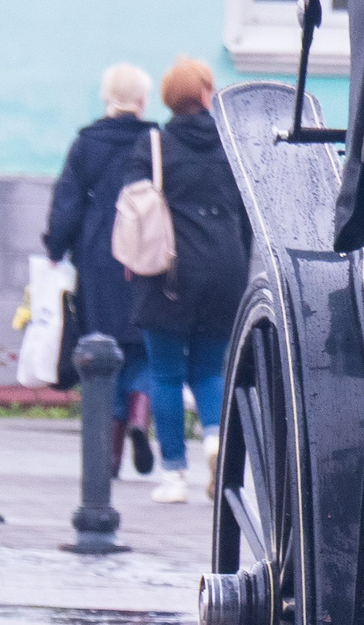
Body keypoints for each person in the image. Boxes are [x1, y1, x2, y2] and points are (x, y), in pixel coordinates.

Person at [131, 58, 252, 505]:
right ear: (205, 95)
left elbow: (132, 210)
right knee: (208, 369)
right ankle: (216, 440)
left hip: (169, 274)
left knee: (165, 374)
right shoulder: (231, 146)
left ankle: (174, 476)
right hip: (226, 271)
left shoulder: (154, 147)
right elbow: (247, 217)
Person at [44, 62, 156, 476]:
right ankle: (140, 420)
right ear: (143, 101)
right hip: (144, 255)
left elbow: (68, 202)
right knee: (143, 346)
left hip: (97, 254)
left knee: (100, 348)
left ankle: (108, 459)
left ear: (107, 98)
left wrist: (56, 246)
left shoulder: (86, 143)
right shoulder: (155, 140)